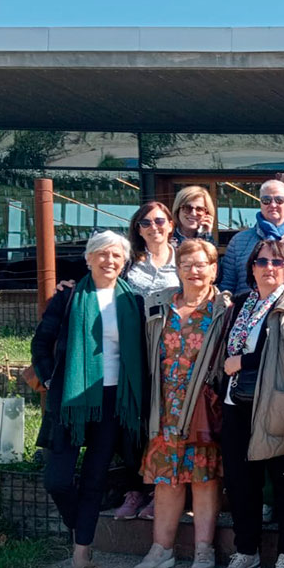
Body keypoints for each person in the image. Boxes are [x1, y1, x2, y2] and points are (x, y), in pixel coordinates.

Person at [33, 231, 147, 568]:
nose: (108, 261)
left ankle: (81, 554)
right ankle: (78, 525)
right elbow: (41, 343)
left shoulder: (133, 302)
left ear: (124, 262)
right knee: (58, 480)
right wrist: (50, 379)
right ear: (88, 259)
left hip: (114, 401)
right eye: (101, 254)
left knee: (95, 480)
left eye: (116, 256)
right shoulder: (68, 298)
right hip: (73, 400)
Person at [217, 239, 284, 568]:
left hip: (277, 405)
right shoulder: (242, 304)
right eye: (261, 262)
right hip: (237, 405)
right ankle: (246, 552)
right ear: (251, 268)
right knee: (240, 483)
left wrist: (242, 362)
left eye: (277, 262)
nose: (268, 267)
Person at [132, 239, 233, 568]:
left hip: (202, 407)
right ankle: (161, 549)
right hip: (164, 405)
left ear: (213, 268)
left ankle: (204, 550)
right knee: (166, 480)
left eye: (201, 264)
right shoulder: (159, 306)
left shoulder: (225, 308)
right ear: (177, 268)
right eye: (187, 264)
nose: (194, 270)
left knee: (204, 479)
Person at [111, 202, 177, 521]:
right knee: (133, 419)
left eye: (160, 221)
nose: (154, 227)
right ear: (137, 229)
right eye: (146, 222)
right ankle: (134, 488)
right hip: (133, 350)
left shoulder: (183, 260)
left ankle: (158, 491)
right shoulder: (127, 263)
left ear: (171, 224)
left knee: (162, 419)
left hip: (171, 352)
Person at [221, 180, 284, 296]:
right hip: (246, 309)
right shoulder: (238, 241)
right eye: (266, 200)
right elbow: (227, 286)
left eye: (279, 200)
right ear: (260, 203)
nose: (273, 205)